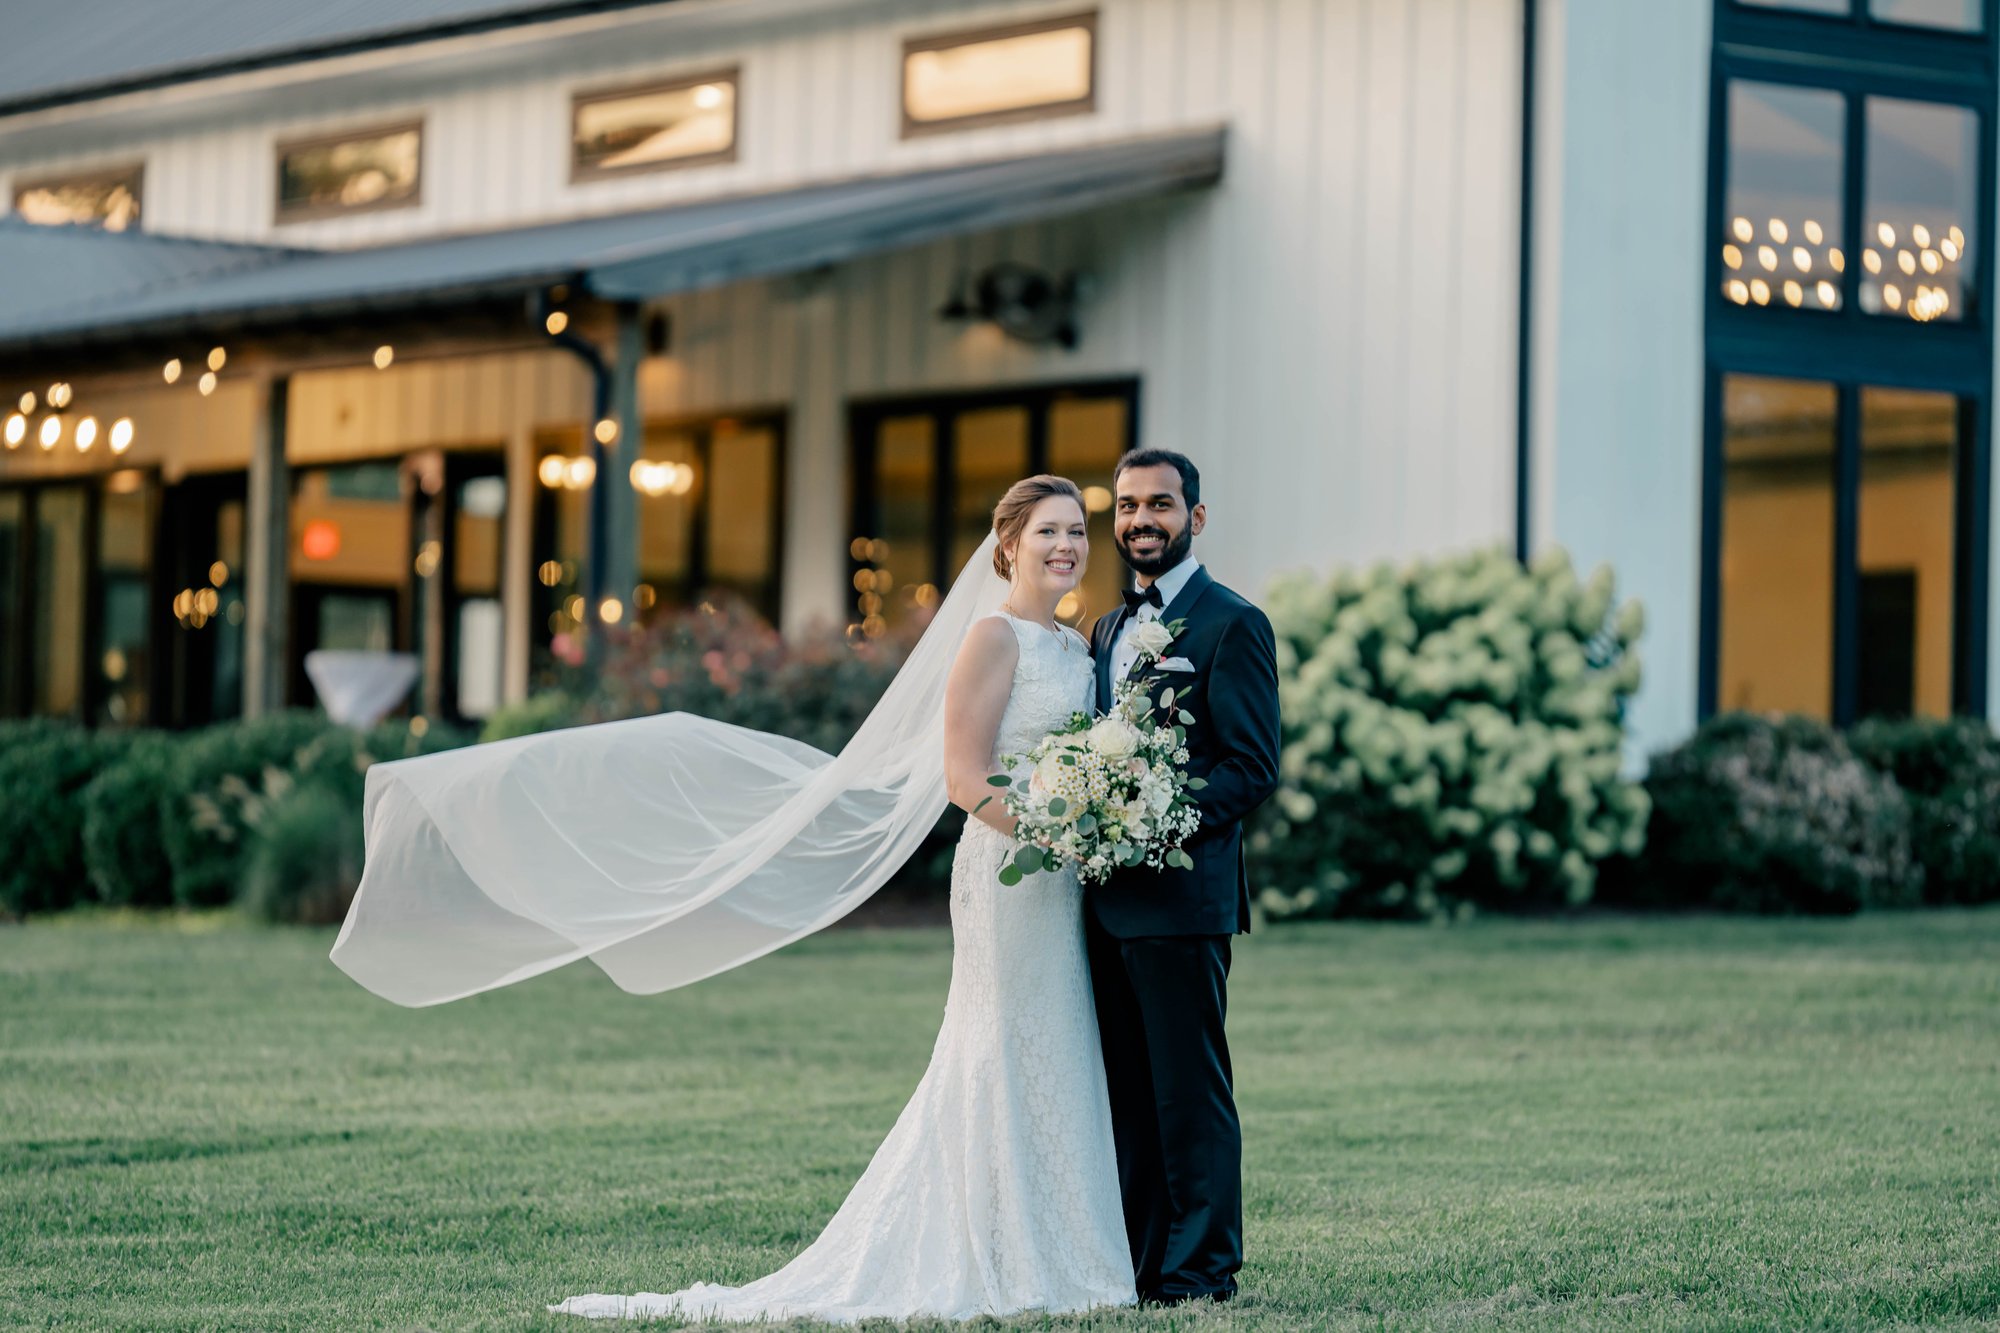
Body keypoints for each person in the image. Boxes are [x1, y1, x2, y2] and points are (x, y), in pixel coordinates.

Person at [1085, 447, 1281, 1305]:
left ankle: (1202, 1270)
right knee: (1127, 1094)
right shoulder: (1105, 627)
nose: (1140, 521)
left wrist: (1153, 817)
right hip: (1103, 905)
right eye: (1127, 506)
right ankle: (1141, 1264)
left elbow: (1250, 765)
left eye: (1159, 505)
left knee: (1189, 1096)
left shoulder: (1233, 623)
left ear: (1194, 517)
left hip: (1182, 898)